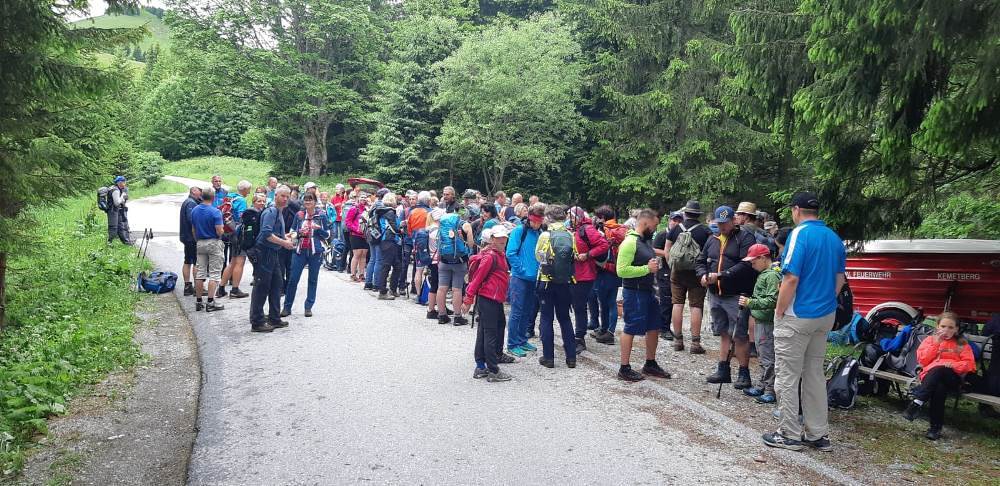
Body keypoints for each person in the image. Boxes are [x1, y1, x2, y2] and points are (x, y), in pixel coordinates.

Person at [763, 191, 846, 452]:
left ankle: (789, 434)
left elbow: (790, 278)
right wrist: (826, 302)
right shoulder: (833, 237)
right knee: (814, 374)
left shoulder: (799, 234)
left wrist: (779, 310)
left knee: (787, 375)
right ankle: (818, 434)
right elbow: (840, 279)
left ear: (796, 210)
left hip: (797, 314)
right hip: (825, 315)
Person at [697, 205, 757, 388]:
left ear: (734, 220)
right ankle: (723, 370)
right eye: (719, 223)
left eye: (725, 223)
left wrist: (721, 275)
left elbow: (746, 264)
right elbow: (700, 260)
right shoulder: (712, 238)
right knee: (723, 332)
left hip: (736, 294)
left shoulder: (745, 238)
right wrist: (702, 275)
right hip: (715, 294)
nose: (722, 227)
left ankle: (744, 373)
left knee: (739, 335)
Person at [615, 209, 671, 381]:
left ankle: (650, 363)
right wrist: (647, 269)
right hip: (634, 292)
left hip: (649, 290)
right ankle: (624, 368)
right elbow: (621, 270)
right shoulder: (630, 242)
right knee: (631, 327)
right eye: (654, 226)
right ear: (645, 223)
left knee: (654, 326)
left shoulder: (645, 241)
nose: (655, 229)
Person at [902, 311, 977, 440]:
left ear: (956, 329)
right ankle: (935, 428)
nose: (946, 330)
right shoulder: (930, 340)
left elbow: (969, 365)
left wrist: (953, 365)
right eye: (943, 326)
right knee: (939, 388)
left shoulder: (961, 344)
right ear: (937, 326)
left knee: (941, 370)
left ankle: (917, 402)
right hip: (931, 378)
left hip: (952, 378)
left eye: (950, 327)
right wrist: (936, 344)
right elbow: (923, 361)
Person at [465, 225, 514, 382]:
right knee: (490, 333)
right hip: (489, 299)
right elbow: (477, 279)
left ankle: (481, 366)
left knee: (485, 332)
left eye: (504, 237)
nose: (502, 240)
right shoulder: (491, 257)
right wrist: (468, 298)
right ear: (492, 239)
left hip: (493, 299)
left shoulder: (497, 254)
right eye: (499, 237)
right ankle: (493, 370)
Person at [534, 204, 579, 369]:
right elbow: (574, 256)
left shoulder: (545, 235)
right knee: (565, 318)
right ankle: (571, 358)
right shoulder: (570, 235)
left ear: (548, 218)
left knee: (546, 318)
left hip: (546, 281)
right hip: (565, 282)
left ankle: (548, 358)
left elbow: (538, 256)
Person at [665, 200, 710, 354]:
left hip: (677, 272)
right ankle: (695, 344)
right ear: (698, 215)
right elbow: (709, 253)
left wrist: (672, 266)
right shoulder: (705, 231)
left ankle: (678, 341)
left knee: (677, 303)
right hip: (697, 272)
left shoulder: (675, 229)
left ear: (685, 213)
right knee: (696, 306)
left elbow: (667, 250)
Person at [739, 243, 781, 404]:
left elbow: (772, 300)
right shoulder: (765, 274)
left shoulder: (771, 276)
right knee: (763, 354)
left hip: (767, 322)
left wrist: (750, 302)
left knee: (768, 356)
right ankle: (762, 385)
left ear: (763, 258)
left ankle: (770, 390)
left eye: (754, 261)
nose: (752, 265)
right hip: (761, 320)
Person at [249, 186, 294, 333]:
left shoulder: (279, 211)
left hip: (273, 253)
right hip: (264, 253)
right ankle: (257, 322)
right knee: (261, 287)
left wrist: (285, 236)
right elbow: (266, 234)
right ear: (276, 196)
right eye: (282, 196)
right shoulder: (271, 211)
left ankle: (274, 318)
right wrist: (284, 243)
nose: (285, 199)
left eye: (287, 196)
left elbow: (273, 232)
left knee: (277, 285)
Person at [568, 206, 609, 353]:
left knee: (579, 306)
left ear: (577, 217)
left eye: (571, 216)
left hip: (584, 274)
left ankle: (579, 337)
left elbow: (604, 245)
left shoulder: (587, 229)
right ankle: (576, 335)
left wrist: (587, 255)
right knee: (576, 305)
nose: (568, 219)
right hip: (574, 273)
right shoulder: (574, 229)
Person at [506, 203, 545, 357]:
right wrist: (521, 269)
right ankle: (512, 344)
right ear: (529, 218)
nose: (537, 224)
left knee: (527, 310)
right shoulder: (519, 231)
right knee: (517, 311)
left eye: (539, 222)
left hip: (533, 278)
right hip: (519, 278)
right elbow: (510, 253)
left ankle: (522, 340)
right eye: (535, 221)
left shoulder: (539, 233)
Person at [282, 193, 330, 317]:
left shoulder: (321, 215)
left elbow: (327, 235)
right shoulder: (299, 215)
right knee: (293, 279)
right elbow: (292, 232)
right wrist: (298, 233)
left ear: (315, 202)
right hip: (300, 251)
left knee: (312, 280)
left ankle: (308, 307)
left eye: (310, 200)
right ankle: (287, 307)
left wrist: (318, 229)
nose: (308, 202)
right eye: (306, 200)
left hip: (315, 252)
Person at [588, 205, 624, 345]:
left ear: (602, 217)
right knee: (611, 301)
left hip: (604, 270)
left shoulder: (604, 230)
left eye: (598, 217)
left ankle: (608, 332)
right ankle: (606, 330)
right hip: (616, 270)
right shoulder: (620, 229)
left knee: (605, 302)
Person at [436, 209, 474, 325]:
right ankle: (457, 317)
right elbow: (471, 244)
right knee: (457, 289)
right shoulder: (466, 225)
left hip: (444, 259)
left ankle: (442, 315)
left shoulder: (443, 223)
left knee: (441, 288)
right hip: (459, 261)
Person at [190, 187, 226, 312]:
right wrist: (223, 232)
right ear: (213, 197)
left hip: (200, 242)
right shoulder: (215, 212)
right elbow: (219, 230)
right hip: (213, 242)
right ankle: (210, 302)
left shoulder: (194, 210)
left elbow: (193, 229)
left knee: (200, 272)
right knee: (214, 273)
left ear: (202, 196)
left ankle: (199, 301)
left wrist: (197, 240)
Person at [218, 180, 253, 299]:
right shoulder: (242, 200)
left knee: (232, 262)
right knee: (240, 262)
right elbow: (242, 218)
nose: (249, 192)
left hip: (229, 232)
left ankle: (221, 288)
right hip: (238, 234)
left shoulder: (229, 197)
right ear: (244, 189)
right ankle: (235, 289)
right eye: (249, 190)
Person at [652, 211, 683, 340]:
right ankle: (663, 328)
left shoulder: (682, 234)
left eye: (679, 221)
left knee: (673, 301)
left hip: (677, 271)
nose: (676, 223)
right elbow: (653, 250)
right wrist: (668, 253)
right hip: (663, 270)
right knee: (665, 300)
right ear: (669, 220)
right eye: (674, 220)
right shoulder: (662, 234)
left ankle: (667, 327)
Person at [374, 194, 403, 300]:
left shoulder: (382, 211)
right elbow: (394, 227)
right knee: (386, 266)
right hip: (389, 240)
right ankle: (382, 291)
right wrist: (401, 230)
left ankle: (392, 289)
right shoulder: (390, 212)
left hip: (385, 240)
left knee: (397, 265)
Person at [408, 191, 432, 297]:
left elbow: (409, 230)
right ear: (428, 201)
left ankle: (418, 294)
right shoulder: (430, 212)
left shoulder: (412, 212)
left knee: (418, 269)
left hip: (416, 243)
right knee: (431, 269)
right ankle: (430, 295)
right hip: (429, 244)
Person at [179, 186, 202, 296]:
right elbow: (192, 219)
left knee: (187, 261)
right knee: (196, 262)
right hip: (191, 237)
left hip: (186, 236)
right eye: (199, 191)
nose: (201, 194)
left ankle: (187, 285)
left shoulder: (188, 201)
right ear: (193, 191)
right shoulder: (191, 203)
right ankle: (198, 288)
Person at [425, 208, 445, 319]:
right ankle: (431, 309)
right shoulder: (437, 231)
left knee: (435, 284)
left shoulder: (429, 229)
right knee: (437, 286)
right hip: (437, 261)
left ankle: (435, 308)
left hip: (431, 259)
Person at [346, 192, 369, 282]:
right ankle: (353, 274)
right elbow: (348, 222)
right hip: (355, 235)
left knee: (364, 254)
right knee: (357, 254)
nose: (363, 199)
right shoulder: (354, 209)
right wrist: (356, 229)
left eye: (365, 197)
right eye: (362, 197)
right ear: (358, 198)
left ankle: (361, 274)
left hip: (365, 234)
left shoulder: (367, 209)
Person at [107, 176, 132, 244]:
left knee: (120, 226)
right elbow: (117, 203)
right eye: (124, 182)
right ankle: (109, 243)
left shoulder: (115, 188)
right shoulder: (116, 190)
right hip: (113, 210)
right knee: (113, 227)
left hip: (116, 210)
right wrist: (122, 196)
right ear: (120, 183)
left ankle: (126, 241)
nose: (125, 183)